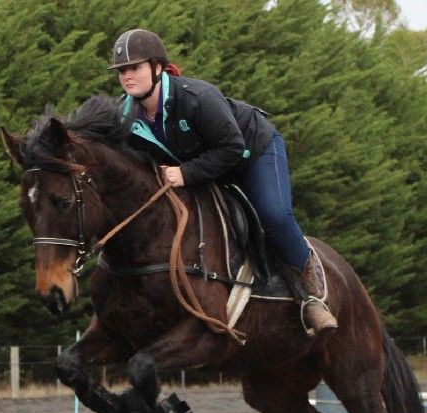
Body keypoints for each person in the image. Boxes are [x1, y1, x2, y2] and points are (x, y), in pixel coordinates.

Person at [107, 28, 337, 336]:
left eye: (134, 67)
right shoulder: (124, 116)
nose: (126, 76)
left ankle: (312, 295)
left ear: (158, 67)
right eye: (121, 70)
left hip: (251, 152)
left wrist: (185, 173)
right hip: (206, 166)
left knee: (274, 215)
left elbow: (232, 147)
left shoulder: (197, 97)